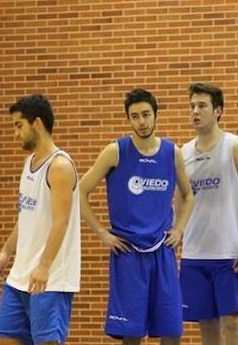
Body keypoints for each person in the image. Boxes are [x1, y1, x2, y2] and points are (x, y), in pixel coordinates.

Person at [79, 88, 195, 345]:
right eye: (135, 116)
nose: (141, 122)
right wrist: (102, 233)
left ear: (155, 115)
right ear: (128, 119)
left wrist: (179, 229)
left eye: (145, 114)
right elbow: (80, 192)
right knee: (131, 333)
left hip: (162, 251)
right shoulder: (115, 151)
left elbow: (188, 195)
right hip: (128, 253)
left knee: (172, 330)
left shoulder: (172, 152)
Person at [0, 94, 81, 345]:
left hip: (50, 279)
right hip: (19, 277)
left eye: (19, 125)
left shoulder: (60, 166)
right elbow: (26, 215)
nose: (15, 133)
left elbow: (60, 223)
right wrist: (5, 251)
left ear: (37, 124)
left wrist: (43, 266)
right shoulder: (28, 162)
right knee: (4, 339)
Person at [179, 83, 238, 345]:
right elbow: (179, 202)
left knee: (233, 322)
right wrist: (175, 237)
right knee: (207, 324)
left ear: (218, 111)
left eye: (202, 106)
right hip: (195, 253)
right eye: (192, 106)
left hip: (229, 253)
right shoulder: (183, 154)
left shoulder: (235, 146)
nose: (195, 111)